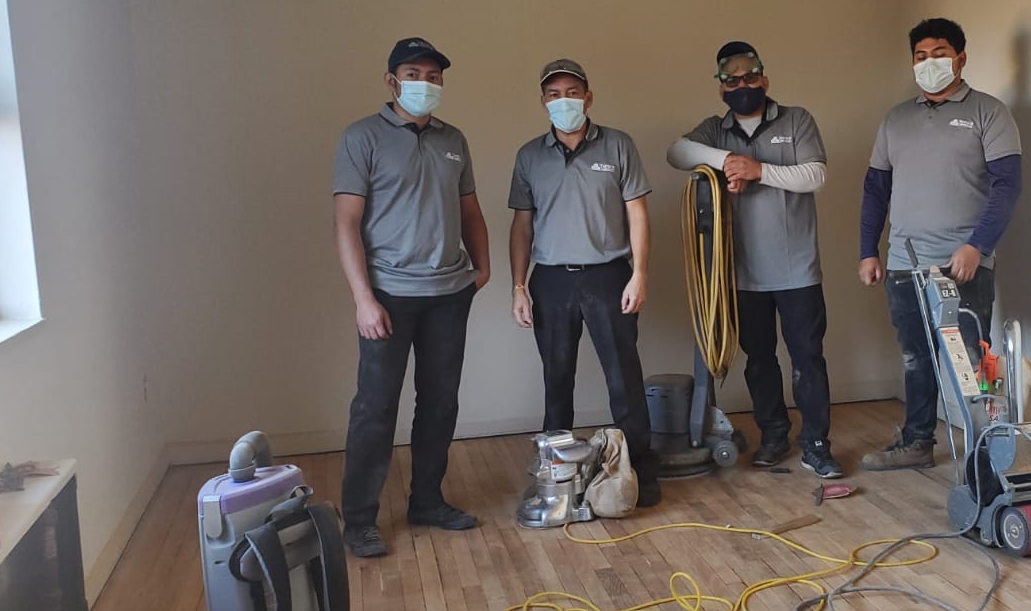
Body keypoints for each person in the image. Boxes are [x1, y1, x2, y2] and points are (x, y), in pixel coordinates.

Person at [333, 37, 490, 558]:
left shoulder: (453, 139)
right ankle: (359, 519)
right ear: (392, 81)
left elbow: (469, 210)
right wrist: (363, 299)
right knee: (375, 408)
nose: (425, 83)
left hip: (449, 293)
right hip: (389, 296)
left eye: (433, 75)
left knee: (440, 402)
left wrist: (483, 266)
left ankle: (427, 500)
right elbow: (346, 223)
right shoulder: (362, 138)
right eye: (413, 74)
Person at [667, 41, 843, 478]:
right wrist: (728, 160)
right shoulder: (715, 129)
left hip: (797, 270)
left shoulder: (796, 119)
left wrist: (758, 170)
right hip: (743, 274)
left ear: (764, 78)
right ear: (721, 87)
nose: (741, 85)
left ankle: (816, 445)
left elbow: (815, 174)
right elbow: (677, 152)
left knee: (808, 359)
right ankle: (774, 436)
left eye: (749, 76)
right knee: (759, 360)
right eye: (731, 80)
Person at [858, 18, 1024, 471]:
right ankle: (917, 442)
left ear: (961, 58)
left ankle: (990, 450)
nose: (930, 62)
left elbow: (1007, 185)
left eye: (940, 53)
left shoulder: (988, 112)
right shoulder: (896, 120)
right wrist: (868, 250)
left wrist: (978, 246)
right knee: (916, 357)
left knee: (977, 359)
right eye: (921, 56)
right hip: (903, 263)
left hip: (963, 263)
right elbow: (875, 188)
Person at [509, 59, 661, 506]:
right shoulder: (530, 156)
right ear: (543, 101)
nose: (564, 101)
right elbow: (522, 225)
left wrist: (639, 273)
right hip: (551, 281)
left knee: (624, 379)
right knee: (556, 380)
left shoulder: (618, 145)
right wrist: (519, 287)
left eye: (572, 92)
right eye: (554, 94)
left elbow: (637, 213)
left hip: (608, 276)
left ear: (588, 97)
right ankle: (557, 475)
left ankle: (638, 472)